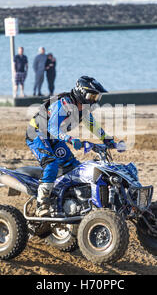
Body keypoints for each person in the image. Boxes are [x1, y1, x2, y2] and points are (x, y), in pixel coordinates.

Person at [26, 76, 114, 216]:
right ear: (81, 93)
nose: (94, 100)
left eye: (96, 97)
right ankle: (42, 204)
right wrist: (70, 138)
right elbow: (52, 128)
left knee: (72, 166)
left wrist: (106, 139)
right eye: (92, 95)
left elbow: (92, 125)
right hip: (37, 134)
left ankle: (66, 198)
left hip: (54, 138)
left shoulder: (83, 109)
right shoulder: (63, 104)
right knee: (51, 164)